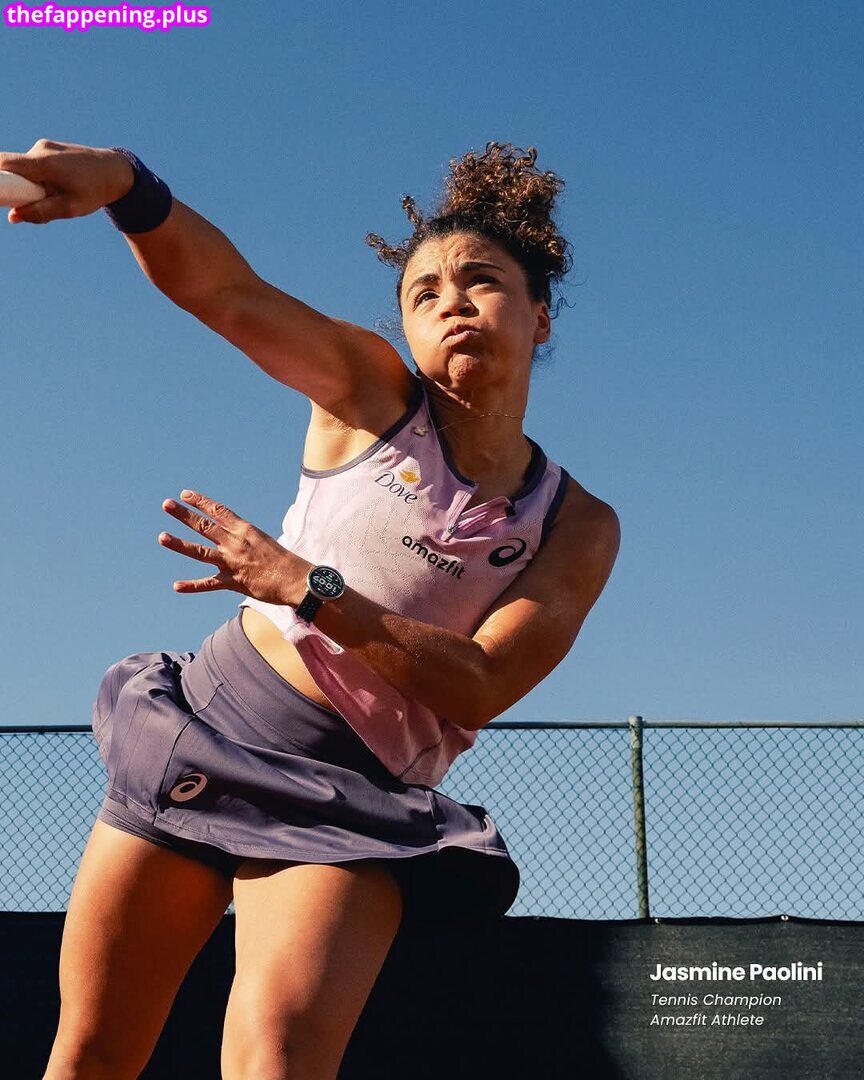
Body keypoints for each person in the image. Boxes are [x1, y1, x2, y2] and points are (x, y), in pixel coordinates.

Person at [3, 138, 620, 1080]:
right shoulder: (368, 392)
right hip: (207, 727)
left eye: (483, 282)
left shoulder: (576, 523)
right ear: (404, 329)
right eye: (424, 292)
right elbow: (226, 293)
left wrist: (307, 587)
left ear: (540, 315)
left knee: (280, 1060)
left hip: (347, 791)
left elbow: (482, 684)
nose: (452, 301)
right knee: (89, 1056)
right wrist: (128, 184)